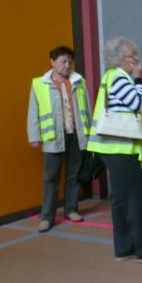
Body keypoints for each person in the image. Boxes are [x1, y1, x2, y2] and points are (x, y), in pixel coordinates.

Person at [86, 38, 142, 264]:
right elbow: (138, 104)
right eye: (132, 56)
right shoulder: (118, 77)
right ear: (119, 59)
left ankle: (124, 247)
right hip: (119, 148)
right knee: (137, 197)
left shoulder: (112, 77)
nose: (136, 60)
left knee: (120, 199)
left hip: (113, 147)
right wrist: (139, 79)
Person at [27, 45, 91, 232]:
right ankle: (47, 217)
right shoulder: (39, 84)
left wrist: (91, 134)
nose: (67, 65)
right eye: (63, 61)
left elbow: (87, 108)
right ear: (52, 62)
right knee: (50, 178)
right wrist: (34, 136)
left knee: (73, 176)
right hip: (53, 137)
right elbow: (33, 112)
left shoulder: (79, 82)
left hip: (76, 135)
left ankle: (71, 209)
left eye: (70, 62)